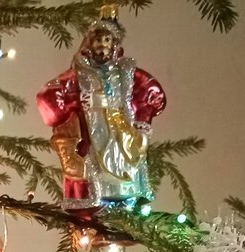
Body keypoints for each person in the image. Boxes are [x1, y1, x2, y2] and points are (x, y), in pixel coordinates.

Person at [37, 4, 166, 211]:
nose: (102, 45)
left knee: (122, 159)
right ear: (90, 44)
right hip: (93, 132)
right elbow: (49, 95)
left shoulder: (125, 71)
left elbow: (152, 93)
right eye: (98, 40)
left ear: (113, 44)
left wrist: (142, 121)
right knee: (96, 159)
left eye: (107, 40)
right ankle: (98, 200)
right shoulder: (80, 72)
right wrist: (68, 115)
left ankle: (124, 199)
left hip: (121, 131)